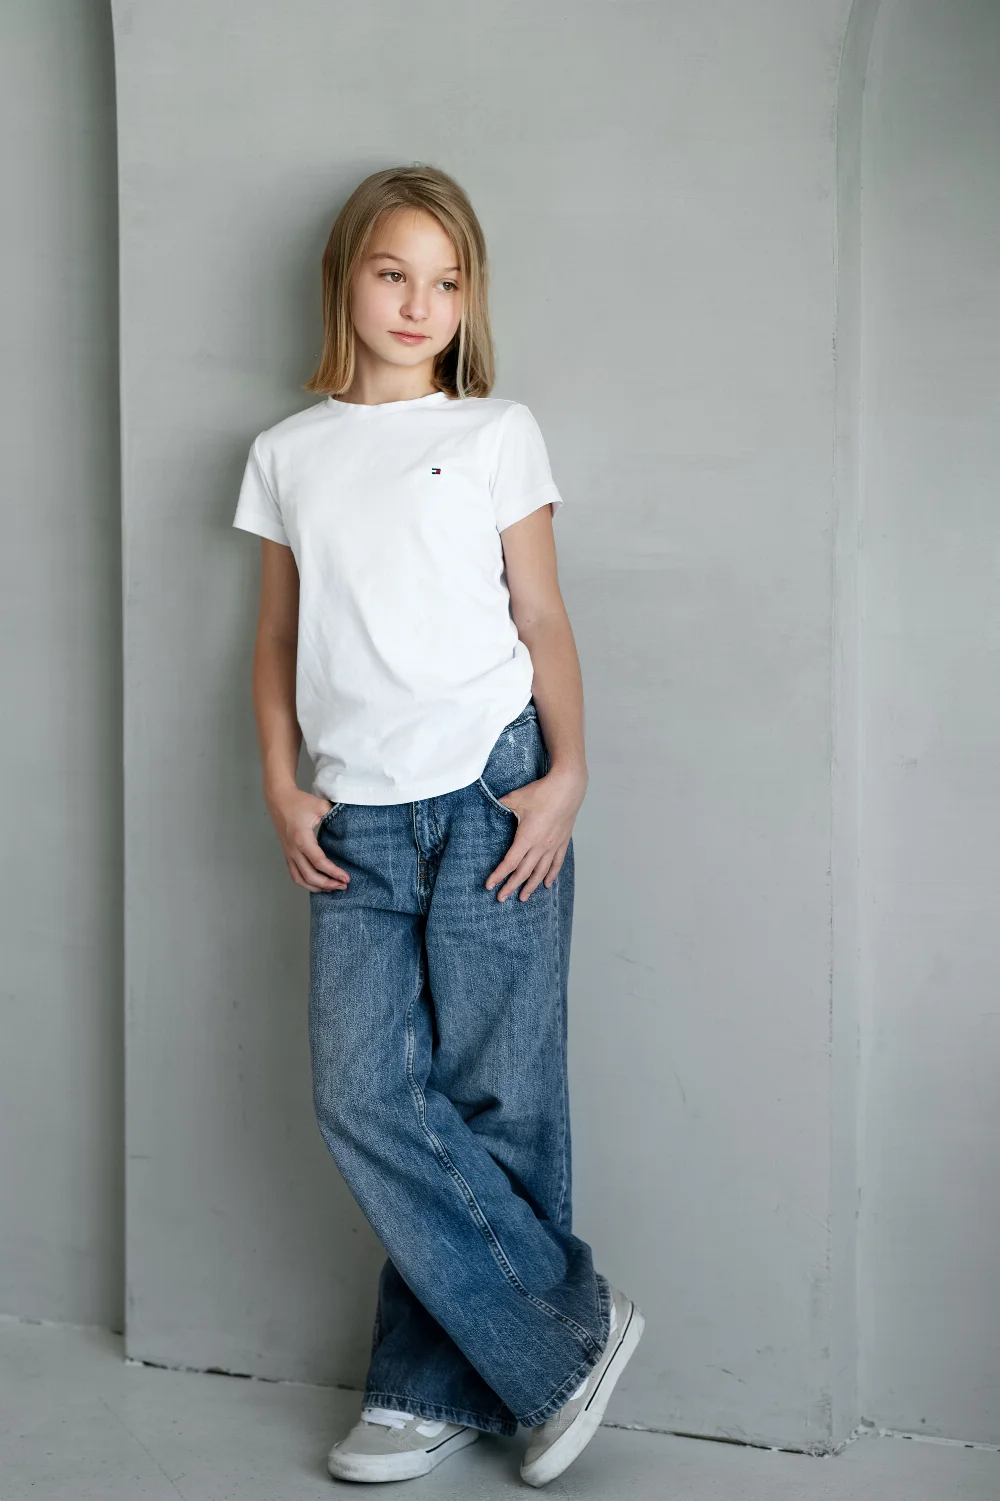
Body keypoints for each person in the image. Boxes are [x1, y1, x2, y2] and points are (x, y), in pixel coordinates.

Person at [232, 163, 644, 1488]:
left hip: (490, 790)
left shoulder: (495, 431)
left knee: (501, 1098)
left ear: (471, 300)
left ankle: (427, 1390)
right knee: (363, 1093)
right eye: (393, 273)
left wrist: (569, 774)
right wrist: (280, 781)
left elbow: (544, 614)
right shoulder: (286, 454)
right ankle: (564, 1338)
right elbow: (278, 636)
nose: (420, 304)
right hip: (353, 816)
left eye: (447, 281)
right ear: (345, 281)